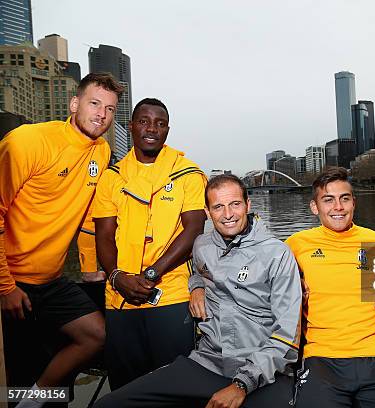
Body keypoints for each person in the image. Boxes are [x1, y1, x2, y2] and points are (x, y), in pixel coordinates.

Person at [94, 174, 302, 408]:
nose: (228, 214)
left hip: (262, 369)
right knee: (109, 404)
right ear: (207, 212)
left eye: (235, 204)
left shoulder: (277, 254)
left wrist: (242, 384)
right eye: (218, 207)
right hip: (209, 361)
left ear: (247, 205)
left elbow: (287, 335)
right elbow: (198, 271)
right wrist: (197, 287)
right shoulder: (202, 245)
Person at [0, 72, 123, 407]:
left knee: (97, 335)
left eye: (110, 109)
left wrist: (89, 268)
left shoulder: (101, 151)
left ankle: (37, 397)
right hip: (10, 280)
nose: (102, 114)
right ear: (74, 103)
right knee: (13, 375)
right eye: (94, 103)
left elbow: (86, 215)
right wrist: (6, 287)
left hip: (51, 280)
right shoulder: (27, 142)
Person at [92, 98, 207, 390]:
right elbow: (104, 235)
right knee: (125, 386)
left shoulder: (188, 173)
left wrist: (151, 274)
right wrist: (118, 278)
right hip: (120, 297)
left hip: (170, 294)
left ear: (168, 129)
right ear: (131, 126)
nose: (151, 128)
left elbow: (194, 229)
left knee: (176, 385)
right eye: (144, 121)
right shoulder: (111, 177)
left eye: (159, 123)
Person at [286, 167, 375, 408]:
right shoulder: (296, 244)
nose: (338, 207)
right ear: (315, 207)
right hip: (321, 356)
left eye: (344, 198)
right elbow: (272, 283)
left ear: (353, 203)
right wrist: (294, 285)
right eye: (328, 200)